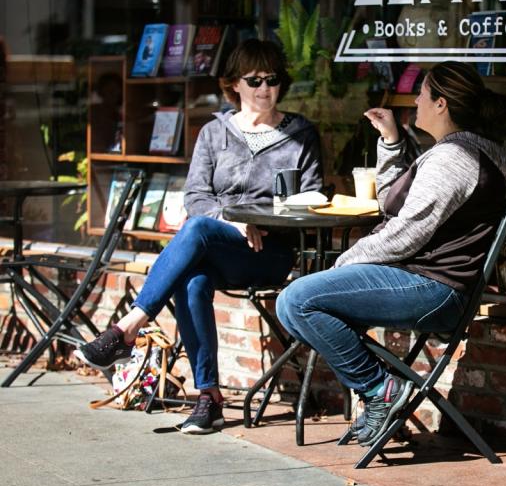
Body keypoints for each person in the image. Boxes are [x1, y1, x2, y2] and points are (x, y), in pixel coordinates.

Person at [75, 39, 323, 434]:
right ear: (234, 85)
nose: (264, 88)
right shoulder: (213, 132)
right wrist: (231, 220)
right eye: (254, 79)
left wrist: (259, 218)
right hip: (221, 247)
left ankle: (127, 328)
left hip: (270, 252)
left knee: (197, 229)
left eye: (272, 79)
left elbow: (312, 198)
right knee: (192, 278)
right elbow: (195, 196)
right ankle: (209, 397)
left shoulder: (300, 135)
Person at [276, 61, 506, 447]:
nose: (415, 100)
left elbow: (406, 233)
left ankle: (381, 390)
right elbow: (394, 205)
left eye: (422, 93)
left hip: (433, 288)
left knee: (297, 300)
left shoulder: (454, 158)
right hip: (429, 283)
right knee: (313, 304)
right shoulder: (462, 151)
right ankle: (383, 399)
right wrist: (390, 141)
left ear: (441, 104)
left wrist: (344, 262)